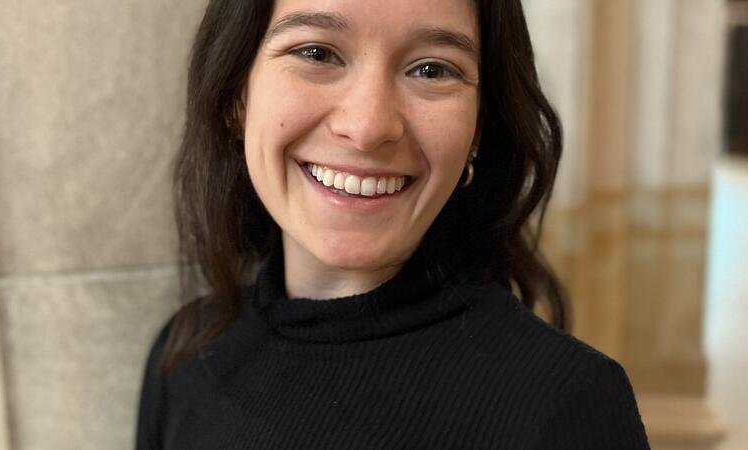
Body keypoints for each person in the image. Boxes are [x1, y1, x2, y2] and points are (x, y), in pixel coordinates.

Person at [136, 0, 651, 448]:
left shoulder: (567, 401)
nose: (368, 126)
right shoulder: (186, 353)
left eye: (432, 70)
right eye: (316, 53)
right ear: (236, 97)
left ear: (479, 128)